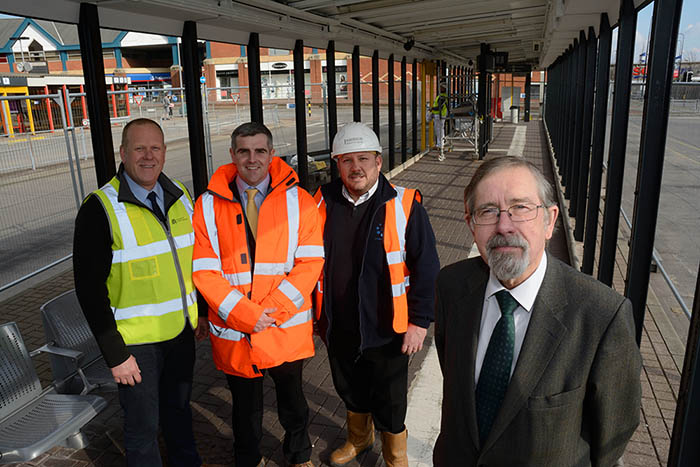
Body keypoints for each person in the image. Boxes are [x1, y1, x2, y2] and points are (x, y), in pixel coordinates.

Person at [433, 156, 642, 466]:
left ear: (550, 221)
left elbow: (612, 435)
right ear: (471, 224)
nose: (504, 226)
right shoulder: (452, 285)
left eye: (521, 208)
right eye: (488, 211)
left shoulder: (601, 315)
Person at [192, 122, 323, 467]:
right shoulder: (206, 206)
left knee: (293, 401)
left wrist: (272, 311)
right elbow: (204, 270)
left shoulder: (300, 201)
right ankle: (246, 458)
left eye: (260, 151)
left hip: (283, 327)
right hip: (237, 330)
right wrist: (249, 315)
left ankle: (299, 456)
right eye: (244, 151)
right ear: (232, 155)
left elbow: (310, 264)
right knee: (245, 408)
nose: (252, 159)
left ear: (271, 154)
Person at [73, 118, 202, 466]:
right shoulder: (99, 208)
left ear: (164, 151)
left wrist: (199, 311)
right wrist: (115, 354)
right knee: (143, 430)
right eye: (139, 148)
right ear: (123, 153)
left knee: (178, 414)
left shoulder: (179, 193)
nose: (149, 156)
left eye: (155, 148)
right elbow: (88, 289)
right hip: (136, 345)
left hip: (179, 333)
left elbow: (191, 259)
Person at [314, 122, 440, 467]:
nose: (356, 167)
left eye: (364, 159)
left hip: (388, 327)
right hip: (339, 324)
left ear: (379, 162)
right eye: (347, 160)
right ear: (337, 164)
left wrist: (419, 321)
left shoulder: (404, 204)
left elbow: (427, 267)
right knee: (349, 388)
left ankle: (395, 455)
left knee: (390, 399)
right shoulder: (320, 202)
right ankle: (359, 438)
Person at [431, 84, 448, 161]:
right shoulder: (443, 96)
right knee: (440, 130)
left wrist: (431, 109)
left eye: (441, 87)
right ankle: (440, 144)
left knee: (439, 131)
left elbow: (439, 107)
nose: (440, 88)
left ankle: (440, 145)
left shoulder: (442, 97)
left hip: (439, 115)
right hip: (440, 115)